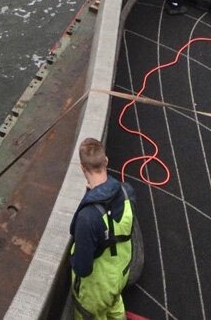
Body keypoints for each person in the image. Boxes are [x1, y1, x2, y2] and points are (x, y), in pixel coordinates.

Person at [69, 137, 135, 320]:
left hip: (96, 289)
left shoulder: (87, 217)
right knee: (115, 306)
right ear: (105, 161)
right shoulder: (126, 192)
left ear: (82, 168)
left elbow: (83, 268)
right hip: (119, 273)